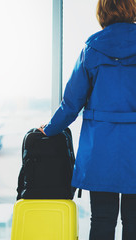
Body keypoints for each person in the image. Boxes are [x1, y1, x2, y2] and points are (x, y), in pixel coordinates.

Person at [39, 0, 136, 239]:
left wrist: (50, 129)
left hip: (100, 150)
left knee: (102, 220)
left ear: (103, 12)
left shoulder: (91, 49)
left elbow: (72, 103)